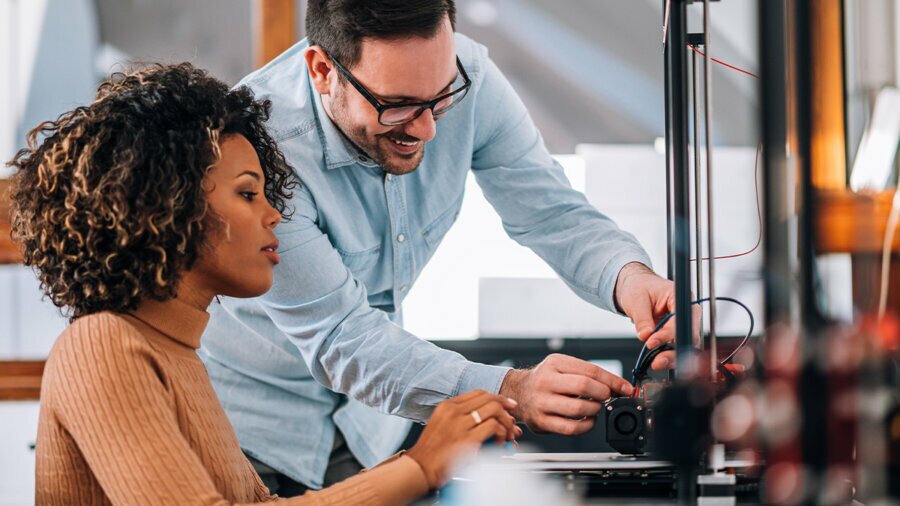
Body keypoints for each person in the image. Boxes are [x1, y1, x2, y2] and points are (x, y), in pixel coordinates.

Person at [200, 0, 684, 494]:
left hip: (369, 427)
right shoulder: (262, 146)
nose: (428, 128)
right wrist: (510, 388)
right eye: (398, 105)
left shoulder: (465, 74)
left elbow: (551, 211)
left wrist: (630, 278)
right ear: (324, 70)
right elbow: (344, 338)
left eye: (440, 99)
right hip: (254, 430)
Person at [10, 62, 519, 505]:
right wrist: (421, 466)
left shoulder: (179, 352)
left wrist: (424, 458)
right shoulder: (104, 347)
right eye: (248, 194)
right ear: (164, 209)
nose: (274, 215)